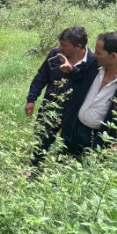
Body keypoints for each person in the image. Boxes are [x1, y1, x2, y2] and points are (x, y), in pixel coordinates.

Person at [25, 27, 91, 167]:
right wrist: (31, 99)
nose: (60, 47)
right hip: (50, 106)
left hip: (75, 113)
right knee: (41, 139)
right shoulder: (56, 54)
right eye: (60, 44)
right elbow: (41, 76)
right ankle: (33, 169)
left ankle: (61, 175)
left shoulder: (92, 63)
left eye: (64, 45)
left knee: (69, 143)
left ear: (78, 46)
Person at [59, 32, 117, 157]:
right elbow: (80, 78)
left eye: (98, 52)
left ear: (113, 56)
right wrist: (71, 71)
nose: (94, 54)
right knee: (62, 163)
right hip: (73, 130)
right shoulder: (93, 64)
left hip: (98, 142)